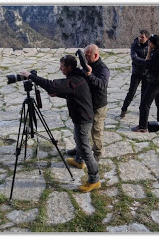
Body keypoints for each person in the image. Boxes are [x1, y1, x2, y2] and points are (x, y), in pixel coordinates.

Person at [20, 54, 100, 193]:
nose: (60, 68)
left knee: (86, 149)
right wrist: (58, 94)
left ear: (69, 67)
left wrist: (30, 76)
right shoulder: (77, 76)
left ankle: (94, 180)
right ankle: (79, 161)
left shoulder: (74, 80)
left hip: (82, 118)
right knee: (78, 140)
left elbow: (51, 84)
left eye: (62, 66)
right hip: (82, 116)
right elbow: (72, 91)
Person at [67, 44, 110, 162]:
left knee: (96, 131)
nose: (85, 58)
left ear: (95, 55)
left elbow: (102, 85)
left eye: (87, 55)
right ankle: (79, 148)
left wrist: (90, 75)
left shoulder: (103, 69)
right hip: (87, 103)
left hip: (98, 105)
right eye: (84, 55)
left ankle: (98, 153)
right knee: (81, 129)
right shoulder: (88, 65)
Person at [131, 34, 159, 132]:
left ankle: (142, 126)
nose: (148, 43)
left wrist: (148, 52)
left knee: (145, 103)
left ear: (154, 44)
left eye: (150, 42)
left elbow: (147, 64)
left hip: (156, 81)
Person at [120, 29, 150, 118]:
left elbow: (152, 57)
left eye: (142, 37)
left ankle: (142, 110)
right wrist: (146, 62)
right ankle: (124, 109)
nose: (140, 38)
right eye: (139, 36)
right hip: (136, 72)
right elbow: (134, 57)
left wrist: (146, 62)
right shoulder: (134, 45)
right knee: (131, 93)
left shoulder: (150, 46)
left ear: (147, 38)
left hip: (146, 73)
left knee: (144, 94)